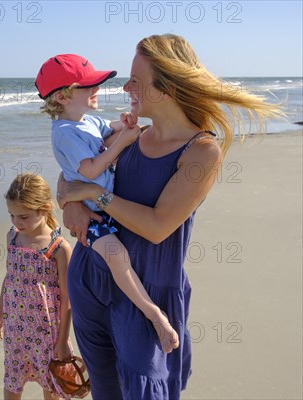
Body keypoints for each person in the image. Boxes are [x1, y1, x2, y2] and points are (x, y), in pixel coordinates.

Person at [56, 34, 284, 399]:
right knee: (105, 390)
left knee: (148, 390)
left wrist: (95, 195)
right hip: (90, 279)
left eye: (136, 81)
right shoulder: (130, 134)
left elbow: (158, 226)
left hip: (148, 294)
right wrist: (71, 204)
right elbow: (71, 173)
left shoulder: (201, 152)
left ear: (167, 88)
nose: (126, 87)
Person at [36, 53, 179, 353]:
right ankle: (153, 313)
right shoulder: (64, 133)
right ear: (62, 96)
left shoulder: (85, 120)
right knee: (117, 257)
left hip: (104, 203)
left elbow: (107, 129)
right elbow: (89, 170)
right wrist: (123, 143)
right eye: (88, 86)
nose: (96, 89)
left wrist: (122, 125)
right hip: (95, 212)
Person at [0, 173, 74, 400]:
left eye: (23, 217)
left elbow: (68, 298)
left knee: (51, 383)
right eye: (12, 216)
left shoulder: (59, 247)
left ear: (45, 208)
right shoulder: (13, 238)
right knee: (13, 380)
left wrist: (63, 340)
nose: (17, 223)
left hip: (47, 331)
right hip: (16, 327)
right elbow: (9, 279)